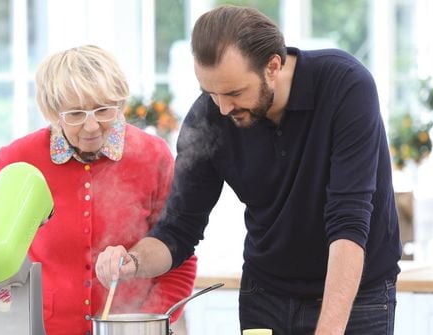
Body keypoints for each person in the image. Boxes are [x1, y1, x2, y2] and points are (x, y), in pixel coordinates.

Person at [95, 5, 401, 335]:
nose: (223, 108)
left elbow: (349, 219)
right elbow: (178, 231)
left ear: (273, 66)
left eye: (234, 93)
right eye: (210, 93)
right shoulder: (209, 117)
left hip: (355, 298)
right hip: (267, 295)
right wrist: (134, 261)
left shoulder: (344, 86)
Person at [0, 45, 197, 335]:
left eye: (104, 110)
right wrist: (10, 319)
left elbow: (180, 255)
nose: (92, 126)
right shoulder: (20, 160)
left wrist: (146, 321)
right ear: (53, 111)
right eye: (76, 114)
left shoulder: (153, 156)